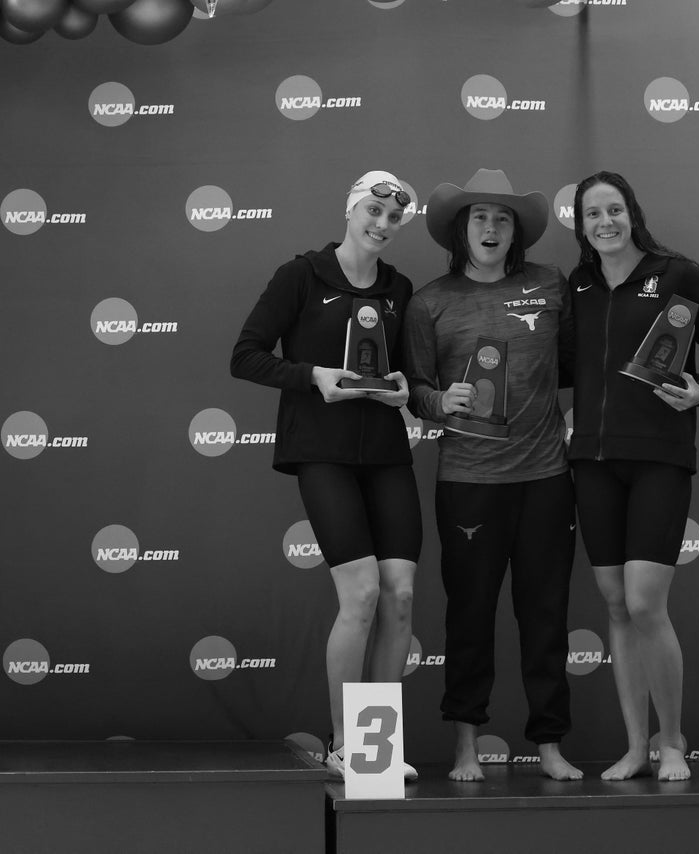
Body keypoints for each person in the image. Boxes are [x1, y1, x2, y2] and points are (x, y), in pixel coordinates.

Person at [232, 171, 422, 781]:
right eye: (373, 210)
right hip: (322, 452)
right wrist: (312, 376)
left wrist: (403, 390)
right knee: (361, 595)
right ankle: (348, 746)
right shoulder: (302, 274)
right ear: (351, 209)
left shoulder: (399, 287)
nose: (382, 225)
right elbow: (247, 355)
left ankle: (378, 751)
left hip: (387, 454)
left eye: (394, 218)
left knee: (400, 596)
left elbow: (410, 376)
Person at [402, 168, 581, 782]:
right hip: (468, 481)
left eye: (502, 218)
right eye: (479, 216)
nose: (490, 227)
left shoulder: (551, 285)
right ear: (460, 228)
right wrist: (435, 402)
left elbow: (579, 366)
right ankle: (465, 746)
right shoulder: (429, 300)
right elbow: (415, 389)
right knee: (470, 617)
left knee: (546, 615)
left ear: (517, 232)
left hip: (546, 479)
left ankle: (551, 745)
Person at [568, 172, 699, 782]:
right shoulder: (580, 284)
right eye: (592, 214)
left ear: (632, 213)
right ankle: (635, 746)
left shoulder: (678, 274)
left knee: (645, 603)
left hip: (660, 458)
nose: (604, 222)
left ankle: (673, 743)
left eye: (613, 209)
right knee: (615, 604)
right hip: (590, 461)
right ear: (581, 226)